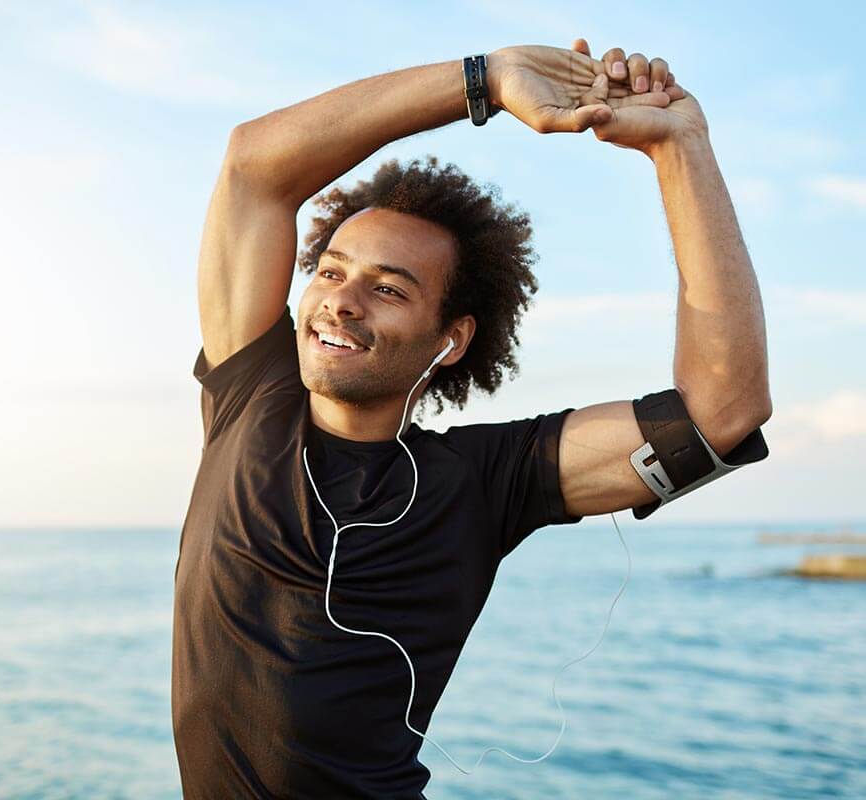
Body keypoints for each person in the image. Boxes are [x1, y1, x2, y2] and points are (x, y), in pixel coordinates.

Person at [171, 39, 772, 799]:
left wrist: (679, 149)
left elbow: (722, 408)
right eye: (330, 271)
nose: (341, 301)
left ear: (450, 338)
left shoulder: (482, 481)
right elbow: (253, 165)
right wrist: (481, 81)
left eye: (388, 289)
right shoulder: (249, 397)